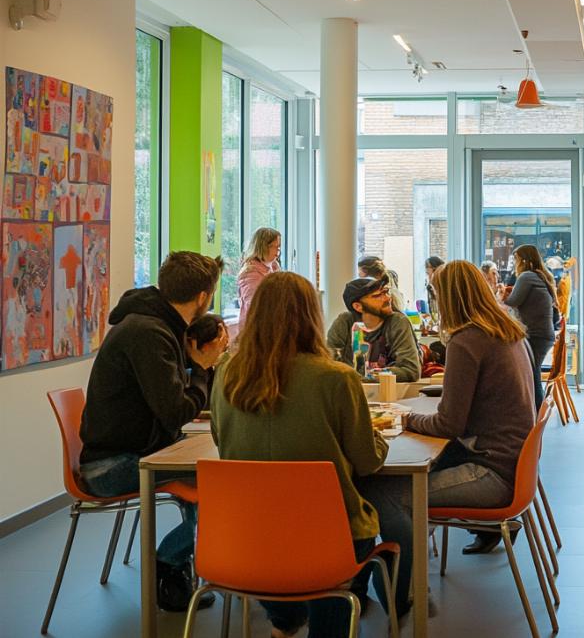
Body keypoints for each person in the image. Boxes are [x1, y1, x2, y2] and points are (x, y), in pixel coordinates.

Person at [211, 271, 401, 637]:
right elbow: (367, 461)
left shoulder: (226, 374)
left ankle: (285, 620)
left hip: (246, 534)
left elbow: (222, 441)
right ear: (311, 316)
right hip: (327, 535)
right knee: (351, 536)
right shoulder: (336, 378)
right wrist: (376, 436)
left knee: (284, 556)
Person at [79, 251, 227, 612]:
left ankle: (185, 565)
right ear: (203, 297)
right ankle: (169, 563)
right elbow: (176, 412)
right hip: (112, 466)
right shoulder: (149, 333)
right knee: (225, 485)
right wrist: (203, 369)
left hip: (135, 451)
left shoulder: (155, 325)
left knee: (210, 477)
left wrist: (199, 369)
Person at [399, 261, 536, 555]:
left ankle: (404, 581)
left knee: (394, 497)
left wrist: (406, 418)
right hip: (515, 465)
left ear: (448, 298)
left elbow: (448, 425)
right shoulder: (509, 331)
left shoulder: (466, 341)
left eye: (436, 295)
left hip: (491, 473)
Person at [326, 277, 421, 382]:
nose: (387, 298)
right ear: (358, 306)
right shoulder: (345, 322)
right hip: (351, 390)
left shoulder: (397, 322)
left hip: (389, 391)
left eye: (385, 292)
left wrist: (365, 376)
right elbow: (328, 364)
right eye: (377, 296)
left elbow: (410, 370)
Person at [504, 244, 559, 408]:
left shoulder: (526, 277)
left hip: (535, 335)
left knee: (531, 373)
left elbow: (512, 302)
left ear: (524, 260)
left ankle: (536, 411)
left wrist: (501, 295)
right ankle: (535, 410)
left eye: (516, 260)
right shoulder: (540, 276)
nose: (514, 264)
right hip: (543, 334)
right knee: (532, 372)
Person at [236, 226, 280, 327]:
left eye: (279, 246)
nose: (278, 250)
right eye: (274, 246)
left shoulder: (274, 266)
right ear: (263, 247)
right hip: (255, 327)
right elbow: (256, 305)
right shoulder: (249, 273)